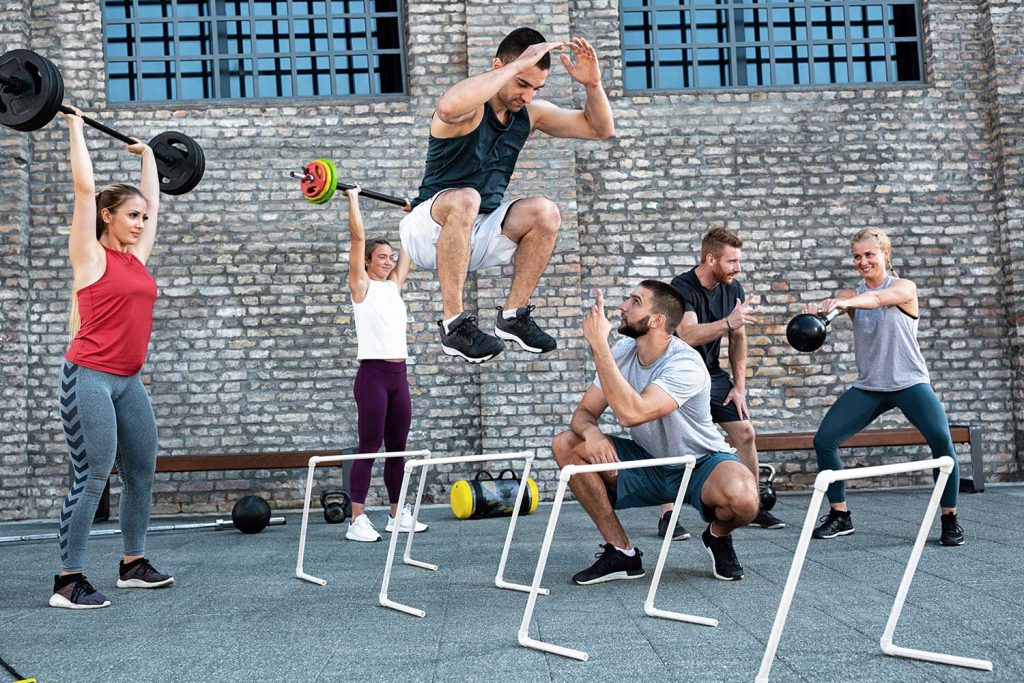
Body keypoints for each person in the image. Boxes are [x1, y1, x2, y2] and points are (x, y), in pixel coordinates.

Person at [400, 27, 615, 363]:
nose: (527, 96)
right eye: (522, 83)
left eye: (536, 88)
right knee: (466, 198)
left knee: (546, 211)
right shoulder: (469, 111)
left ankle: (513, 317)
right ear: (499, 66)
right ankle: (453, 326)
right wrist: (511, 69)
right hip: (429, 227)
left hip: (479, 232)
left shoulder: (529, 114)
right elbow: (446, 106)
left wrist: (593, 85)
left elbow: (600, 129)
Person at [551, 282, 759, 584]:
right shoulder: (622, 353)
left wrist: (598, 346)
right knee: (566, 445)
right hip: (648, 462)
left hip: (700, 463)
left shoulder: (685, 362)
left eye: (635, 301)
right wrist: (591, 433)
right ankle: (621, 553)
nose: (623, 306)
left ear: (657, 320)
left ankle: (718, 535)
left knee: (745, 500)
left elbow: (633, 413)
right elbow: (583, 414)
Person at [50, 108, 173, 610]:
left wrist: (148, 158)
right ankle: (68, 579)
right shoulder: (91, 256)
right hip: (89, 379)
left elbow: (158, 205)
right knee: (93, 475)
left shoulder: (134, 258)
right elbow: (84, 191)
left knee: (142, 470)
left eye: (143, 218)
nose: (142, 223)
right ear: (108, 216)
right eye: (132, 215)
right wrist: (75, 127)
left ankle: (132, 564)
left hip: (129, 381)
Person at [804, 228, 965, 546]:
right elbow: (846, 303)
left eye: (869, 254)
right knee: (825, 440)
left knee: (942, 442)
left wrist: (846, 302)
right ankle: (840, 515)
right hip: (870, 386)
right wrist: (824, 309)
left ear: (885, 254)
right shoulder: (851, 295)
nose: (862, 261)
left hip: (909, 382)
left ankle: (949, 519)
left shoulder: (904, 288)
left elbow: (876, 299)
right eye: (856, 256)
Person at [667, 227, 784, 537]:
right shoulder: (680, 289)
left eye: (738, 261)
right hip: (677, 375)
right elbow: (688, 334)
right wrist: (728, 322)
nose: (738, 268)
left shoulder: (734, 289)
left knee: (745, 432)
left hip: (712, 374)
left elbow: (737, 339)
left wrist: (739, 386)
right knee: (673, 441)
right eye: (732, 261)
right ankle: (668, 515)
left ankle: (753, 506)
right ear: (710, 259)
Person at [342, 186, 427, 542]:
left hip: (399, 375)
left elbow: (409, 247)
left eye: (390, 257)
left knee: (398, 448)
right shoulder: (361, 286)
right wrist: (353, 198)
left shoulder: (393, 286)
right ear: (367, 262)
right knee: (369, 446)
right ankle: (357, 520)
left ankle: (396, 514)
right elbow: (358, 236)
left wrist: (413, 215)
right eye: (381, 257)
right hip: (373, 376)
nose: (389, 261)